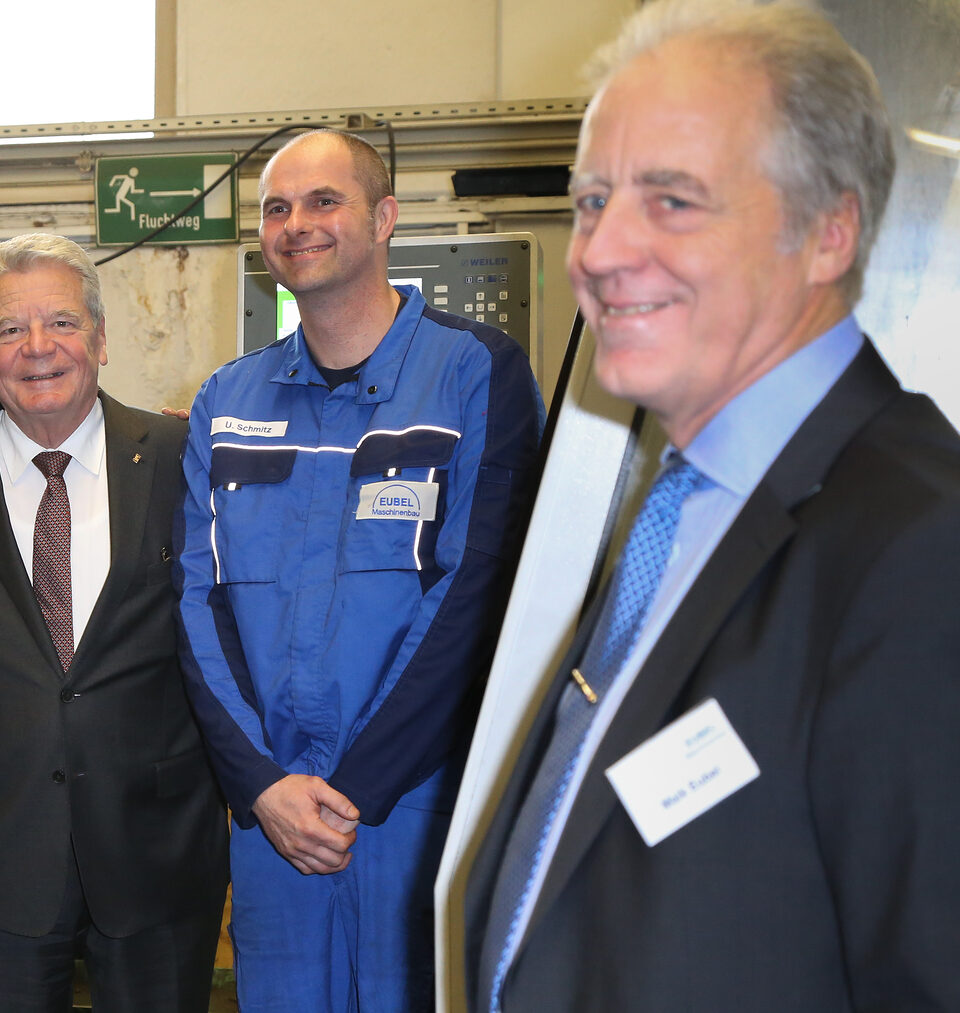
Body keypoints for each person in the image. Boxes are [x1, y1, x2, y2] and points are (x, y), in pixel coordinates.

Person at [464, 2, 960, 1010]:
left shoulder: (918, 552)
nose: (598, 252)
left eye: (671, 201)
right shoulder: (687, 507)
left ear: (827, 232)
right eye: (591, 199)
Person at [175, 129, 544, 1011]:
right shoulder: (227, 400)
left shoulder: (473, 371)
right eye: (275, 207)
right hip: (274, 817)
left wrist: (357, 788)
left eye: (322, 200)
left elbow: (478, 587)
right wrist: (263, 785)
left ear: (384, 218)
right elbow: (196, 598)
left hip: (413, 802)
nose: (296, 224)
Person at [0, 233, 229, 1012]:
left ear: (102, 338)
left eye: (62, 322)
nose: (38, 347)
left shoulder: (185, 459)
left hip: (157, 852)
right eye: (10, 330)